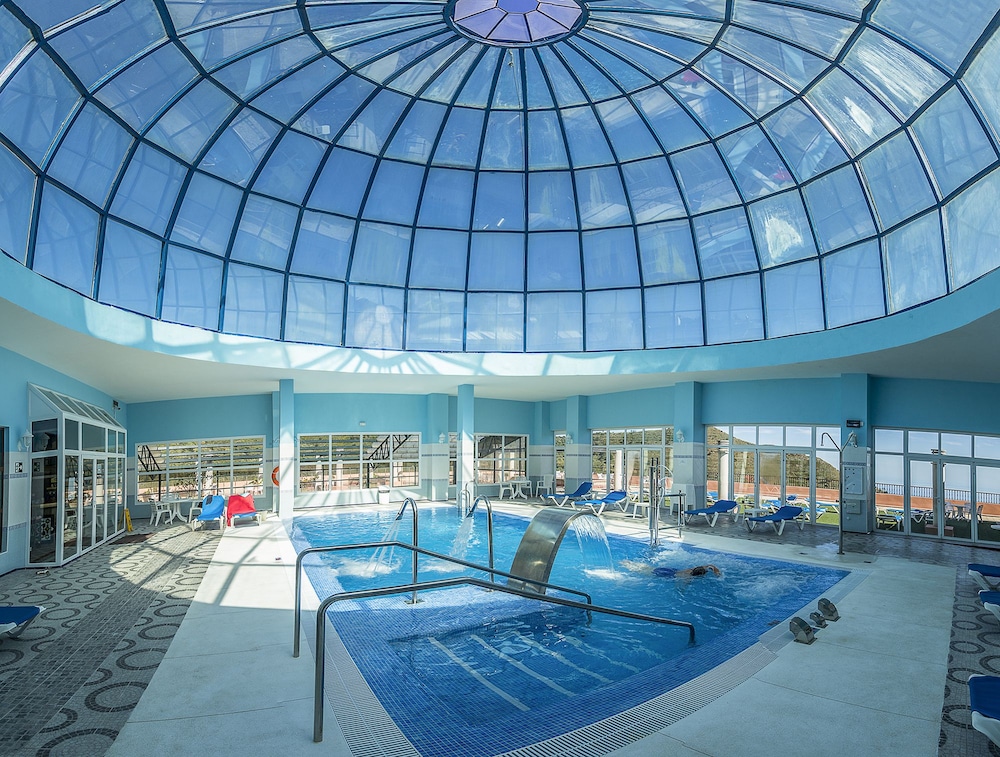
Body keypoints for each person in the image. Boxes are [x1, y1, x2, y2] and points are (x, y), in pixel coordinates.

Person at [653, 564, 721, 578]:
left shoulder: (692, 569)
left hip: (673, 570)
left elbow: (710, 565)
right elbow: (681, 586)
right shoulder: (688, 577)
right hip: (670, 574)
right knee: (652, 572)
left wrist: (716, 571)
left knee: (652, 569)